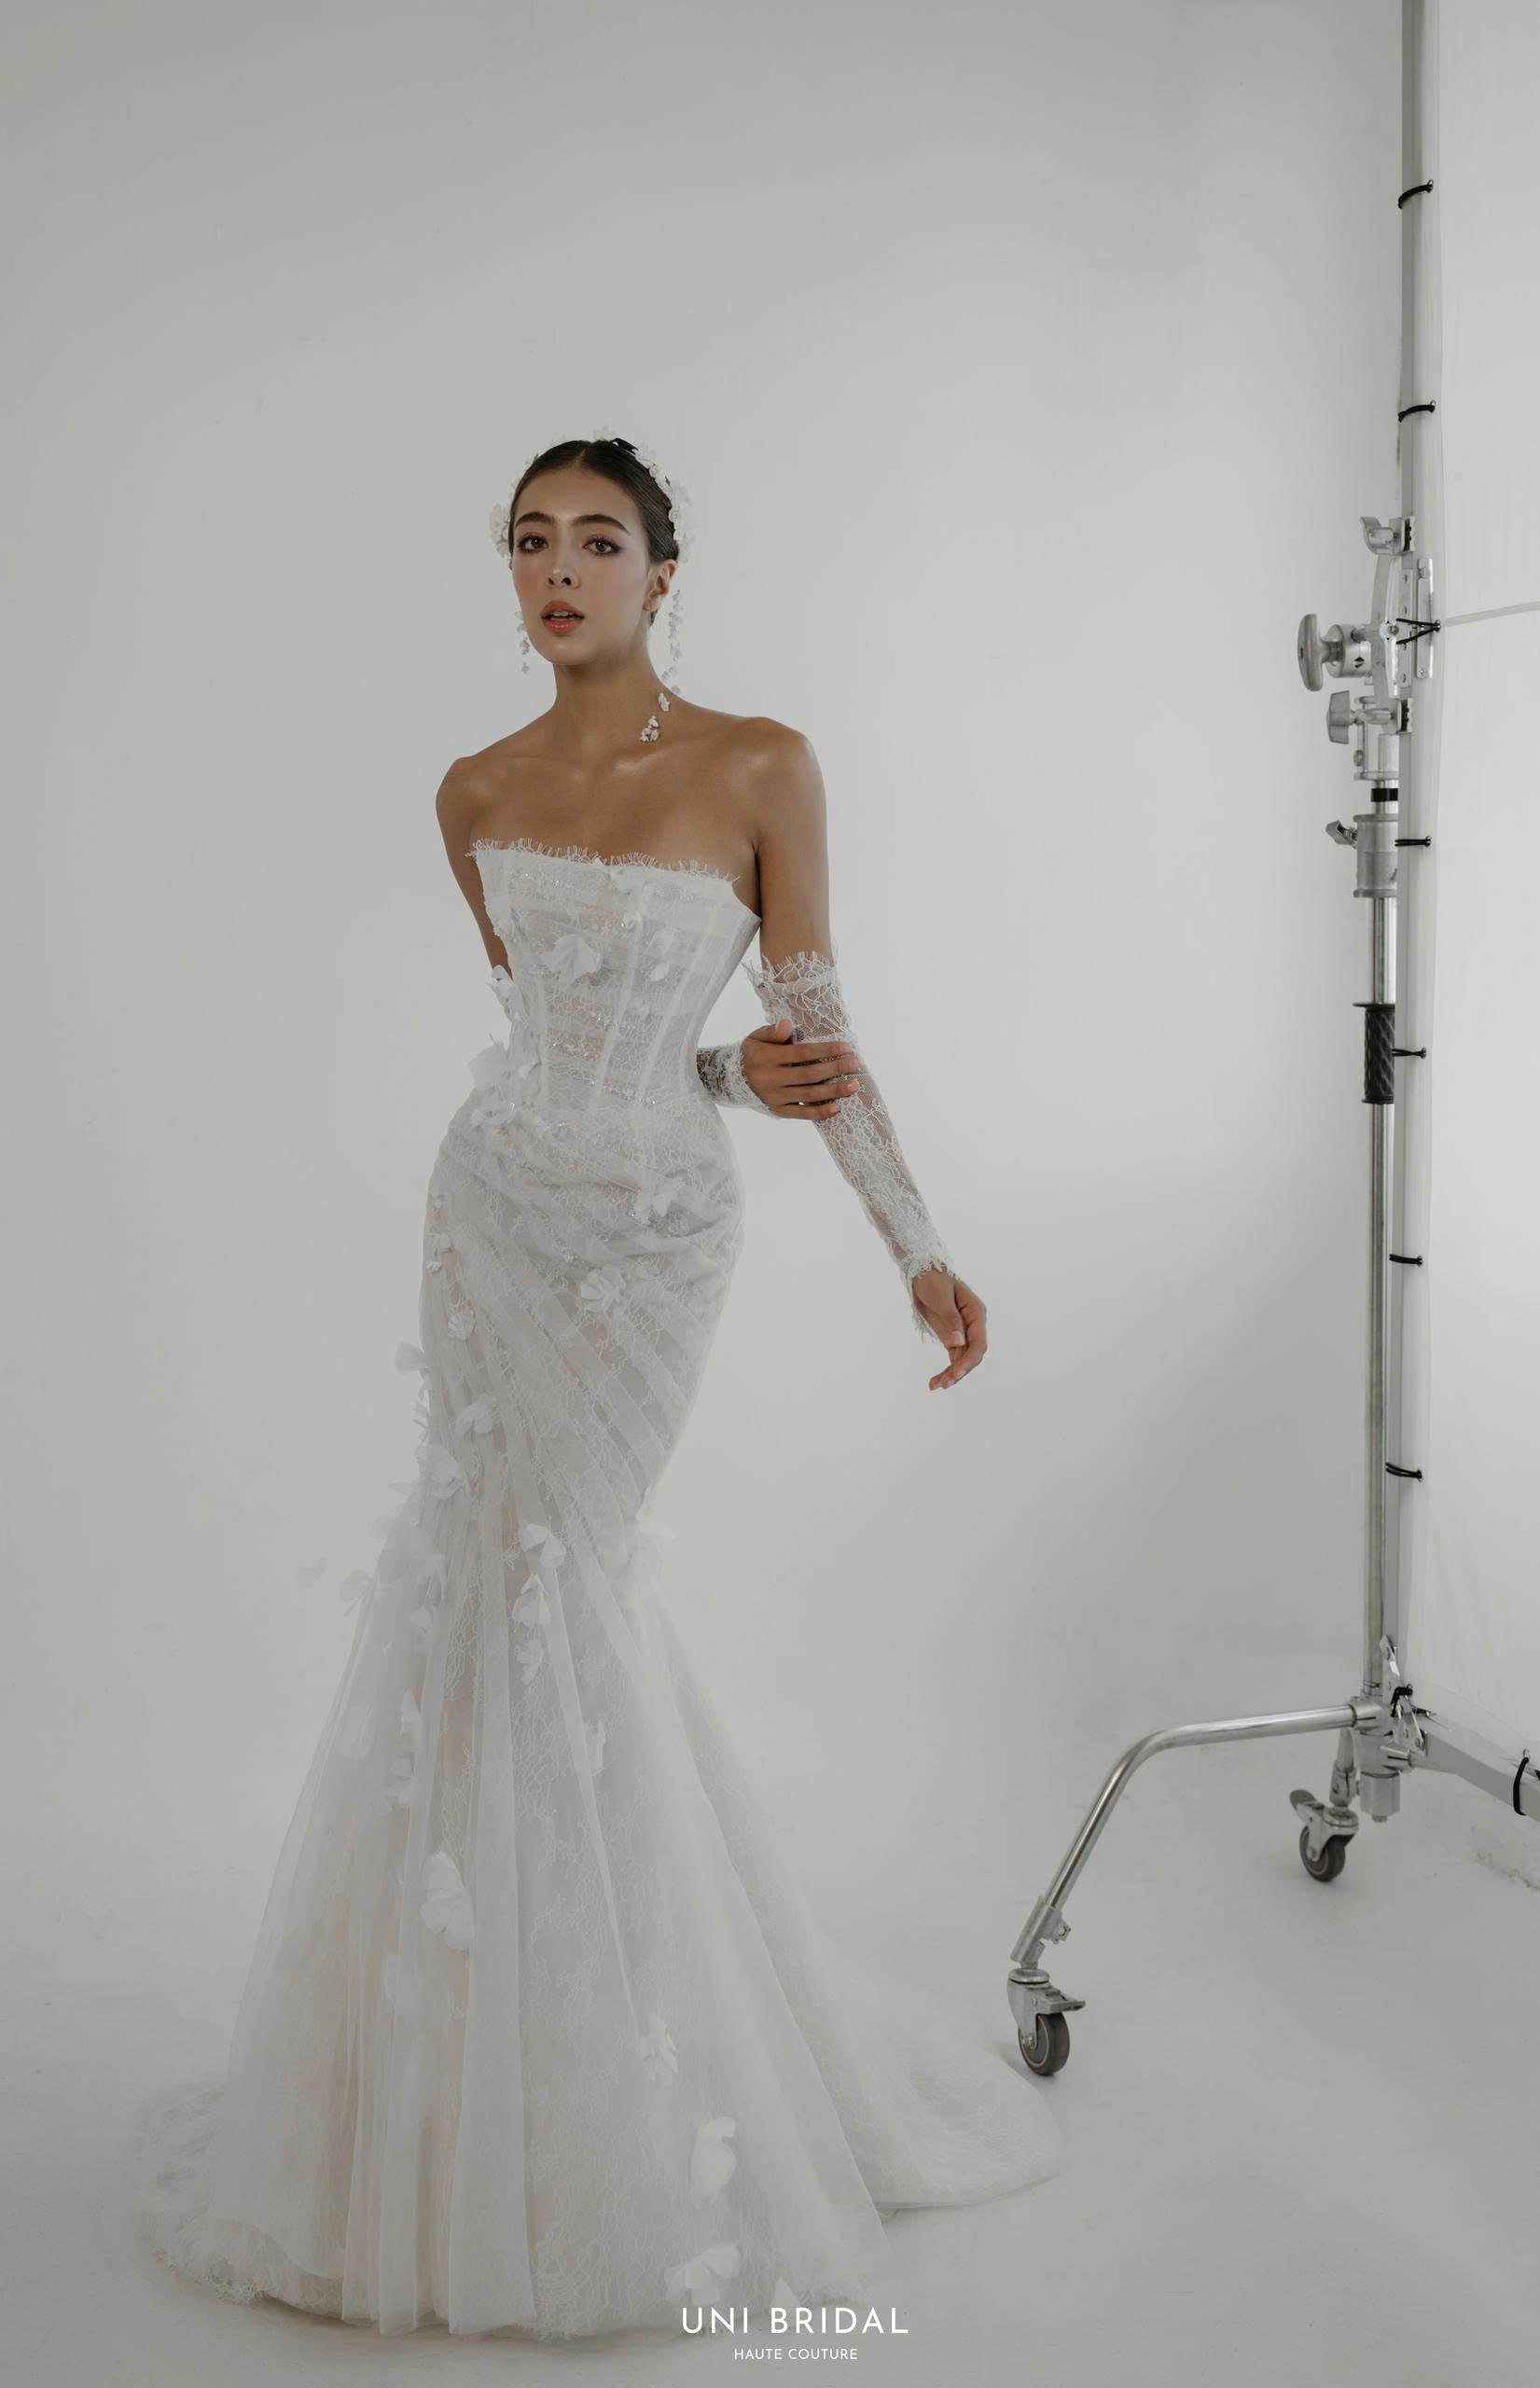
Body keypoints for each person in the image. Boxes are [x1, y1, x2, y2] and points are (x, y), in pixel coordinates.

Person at [132, 436, 1061, 2342]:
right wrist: (712, 1072)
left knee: (573, 1579)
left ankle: (605, 2086)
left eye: (598, 541)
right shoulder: (471, 790)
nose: (559, 571)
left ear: (661, 572)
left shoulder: (761, 764)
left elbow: (809, 1033)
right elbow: (542, 1028)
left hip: (651, 1243)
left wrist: (915, 1243)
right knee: (478, 1581)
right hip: (490, 1213)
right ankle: (438, 2086)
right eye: (531, 543)